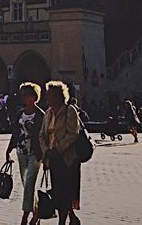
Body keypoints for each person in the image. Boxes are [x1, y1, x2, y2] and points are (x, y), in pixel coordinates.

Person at [40, 81, 82, 225]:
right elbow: (42, 135)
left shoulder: (69, 110)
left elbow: (73, 133)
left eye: (50, 95)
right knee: (58, 193)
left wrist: (58, 149)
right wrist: (46, 151)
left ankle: (63, 221)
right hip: (52, 159)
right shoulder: (47, 113)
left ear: (58, 96)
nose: (47, 97)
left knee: (65, 192)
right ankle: (71, 217)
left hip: (67, 158)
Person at [6, 82, 45, 225]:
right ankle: (37, 212)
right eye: (21, 95)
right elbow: (15, 133)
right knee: (27, 185)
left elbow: (44, 136)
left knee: (29, 184)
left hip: (35, 154)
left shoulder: (41, 115)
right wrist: (9, 149)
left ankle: (25, 217)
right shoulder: (19, 114)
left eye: (25, 95)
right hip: (21, 152)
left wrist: (45, 156)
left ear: (34, 97)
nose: (22, 98)